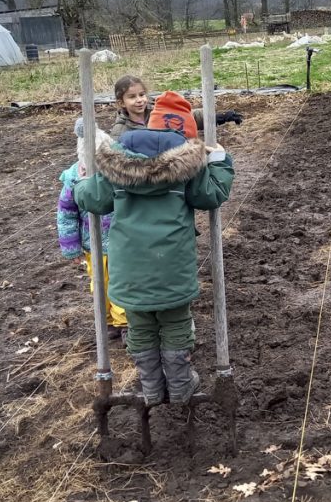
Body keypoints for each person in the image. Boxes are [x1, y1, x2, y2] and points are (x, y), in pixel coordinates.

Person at [74, 92, 235, 406]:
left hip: (129, 273)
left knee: (141, 325)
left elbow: (92, 199)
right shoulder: (189, 166)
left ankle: (150, 387)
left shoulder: (117, 163)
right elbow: (212, 195)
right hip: (172, 269)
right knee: (175, 324)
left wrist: (83, 179)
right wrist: (220, 161)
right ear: (183, 133)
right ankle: (179, 386)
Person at [56, 119, 128, 338]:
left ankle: (125, 323)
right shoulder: (74, 178)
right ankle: (106, 321)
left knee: (122, 282)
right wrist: (71, 247)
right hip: (93, 245)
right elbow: (66, 213)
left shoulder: (118, 175)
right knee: (99, 284)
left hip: (120, 242)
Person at [109, 74, 244, 138]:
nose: (139, 100)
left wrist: (220, 117)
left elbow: (187, 118)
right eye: (132, 97)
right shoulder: (120, 130)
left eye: (142, 94)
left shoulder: (158, 111)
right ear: (121, 103)